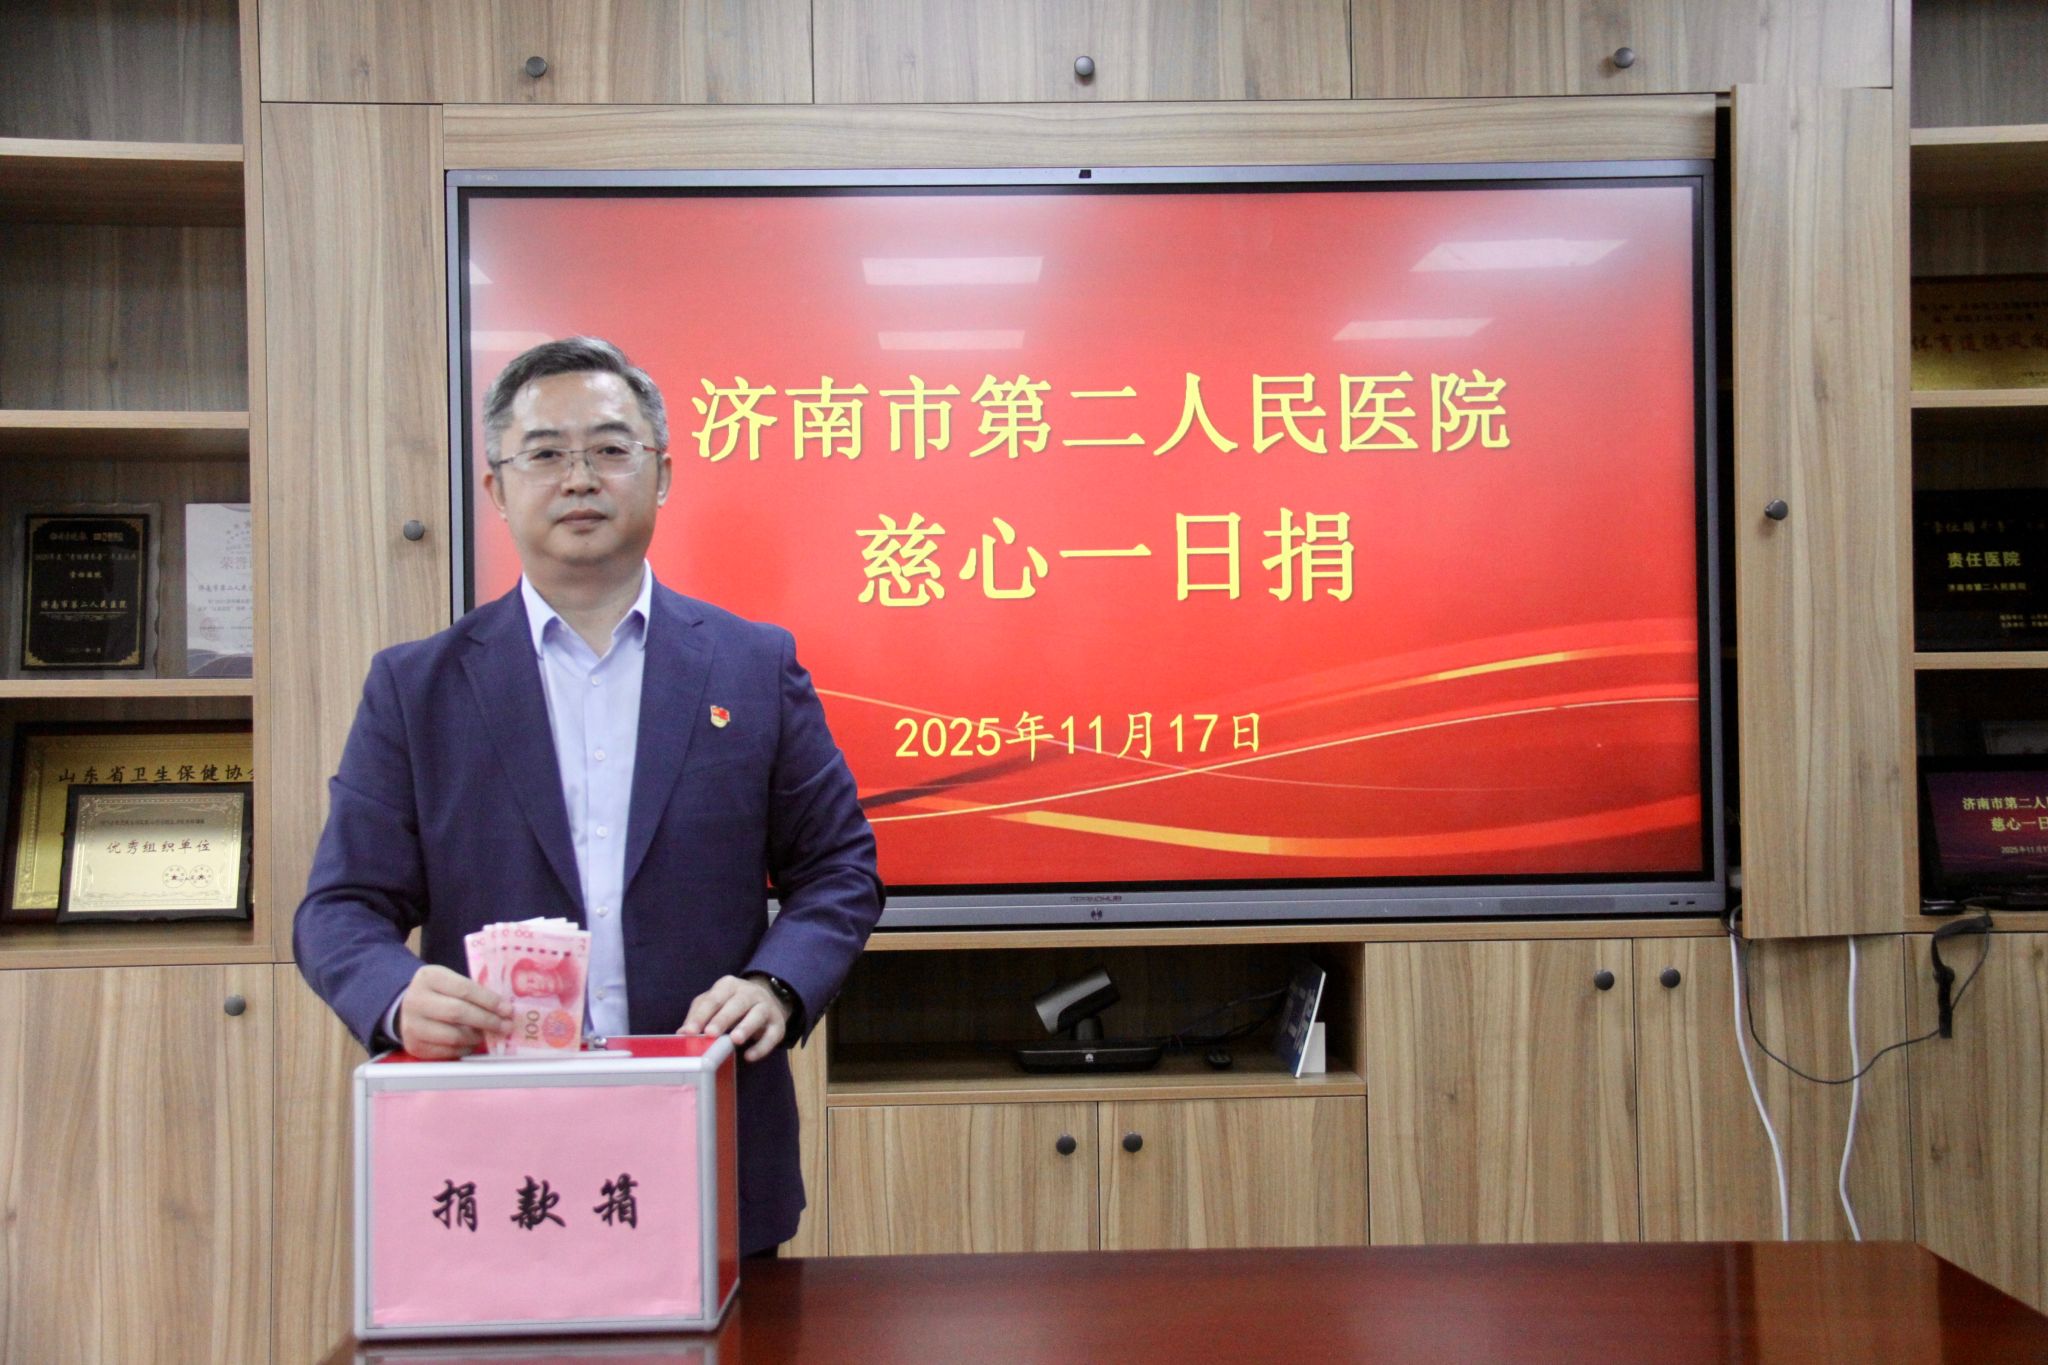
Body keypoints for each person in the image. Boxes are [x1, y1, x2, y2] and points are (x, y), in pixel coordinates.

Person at [294, 336, 883, 1256]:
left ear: (662, 474)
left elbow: (840, 868)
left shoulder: (752, 665)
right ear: (496, 488)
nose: (579, 477)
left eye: (610, 448)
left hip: (708, 1128)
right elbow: (340, 907)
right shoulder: (417, 689)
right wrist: (397, 995)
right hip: (496, 1150)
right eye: (545, 452)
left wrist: (777, 983)